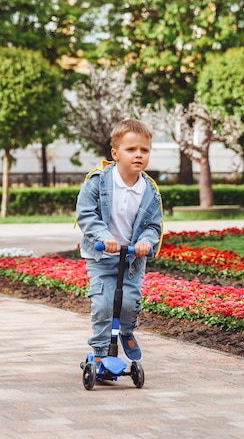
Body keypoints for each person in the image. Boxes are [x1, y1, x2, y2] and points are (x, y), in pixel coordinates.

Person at [75, 118, 163, 364]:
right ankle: (101, 353)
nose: (139, 155)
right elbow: (85, 213)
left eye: (144, 150)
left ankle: (126, 330)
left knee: (128, 303)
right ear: (115, 153)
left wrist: (146, 241)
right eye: (131, 149)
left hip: (132, 258)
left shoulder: (149, 190)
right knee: (103, 304)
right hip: (102, 255)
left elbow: (153, 225)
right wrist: (104, 237)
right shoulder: (98, 181)